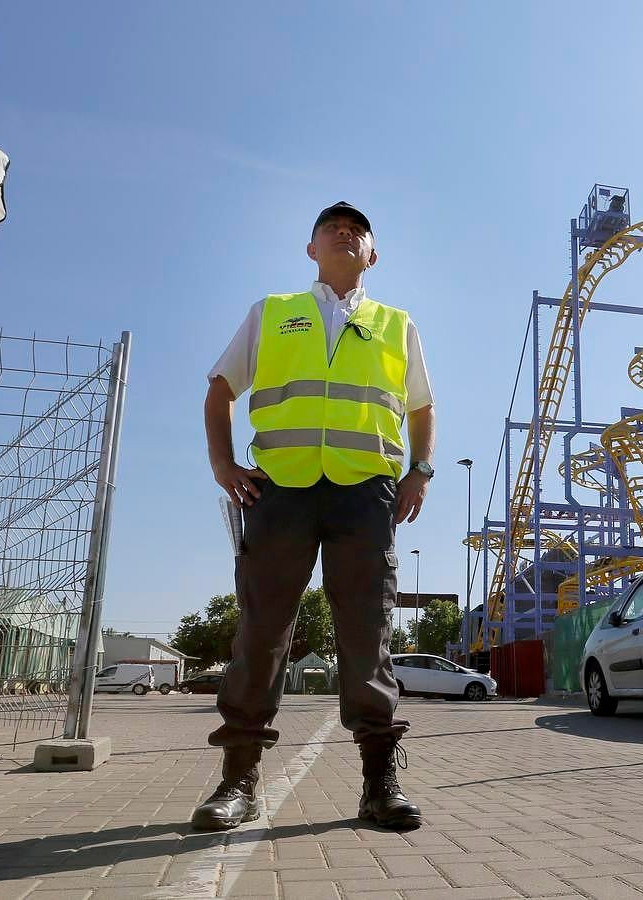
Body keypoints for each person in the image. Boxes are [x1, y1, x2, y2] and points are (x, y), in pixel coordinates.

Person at [195, 202, 435, 831]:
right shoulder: (273, 313)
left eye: (357, 228)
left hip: (365, 495)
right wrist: (224, 465)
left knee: (367, 632)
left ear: (373, 253)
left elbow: (420, 406)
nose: (344, 230)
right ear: (311, 249)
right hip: (281, 490)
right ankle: (237, 780)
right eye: (331, 225)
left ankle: (380, 783)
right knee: (262, 629)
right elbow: (220, 389)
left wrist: (421, 470)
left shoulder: (395, 323)